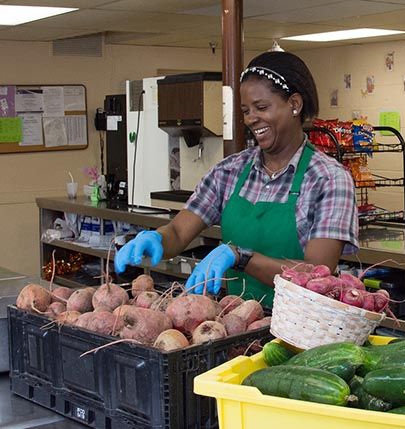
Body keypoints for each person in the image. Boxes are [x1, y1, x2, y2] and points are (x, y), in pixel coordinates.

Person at [114, 51, 359, 307]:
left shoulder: (329, 179)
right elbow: (178, 231)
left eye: (261, 107)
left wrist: (241, 258)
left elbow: (317, 273)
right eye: (246, 110)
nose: (251, 118)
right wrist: (157, 239)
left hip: (300, 329)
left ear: (294, 104)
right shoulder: (229, 171)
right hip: (233, 321)